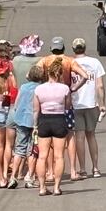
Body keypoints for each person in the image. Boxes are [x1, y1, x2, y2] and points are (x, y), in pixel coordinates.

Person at [33, 57, 71, 196]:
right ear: (60, 74)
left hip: (44, 120)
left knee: (42, 156)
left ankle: (42, 187)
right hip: (59, 119)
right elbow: (67, 106)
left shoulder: (39, 89)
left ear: (47, 74)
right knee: (59, 156)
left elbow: (36, 109)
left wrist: (35, 125)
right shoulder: (65, 88)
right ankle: (56, 187)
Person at [70, 38, 106, 178]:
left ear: (74, 49)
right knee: (91, 135)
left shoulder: (71, 63)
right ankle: (96, 168)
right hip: (91, 103)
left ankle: (83, 169)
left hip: (76, 104)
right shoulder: (95, 62)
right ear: (84, 48)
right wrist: (102, 104)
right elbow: (100, 85)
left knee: (79, 136)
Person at [7, 65, 44, 189]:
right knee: (33, 150)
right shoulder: (40, 89)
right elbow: (38, 107)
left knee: (19, 149)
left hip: (21, 120)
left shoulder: (23, 87)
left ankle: (13, 177)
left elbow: (16, 104)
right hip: (34, 122)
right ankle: (30, 177)